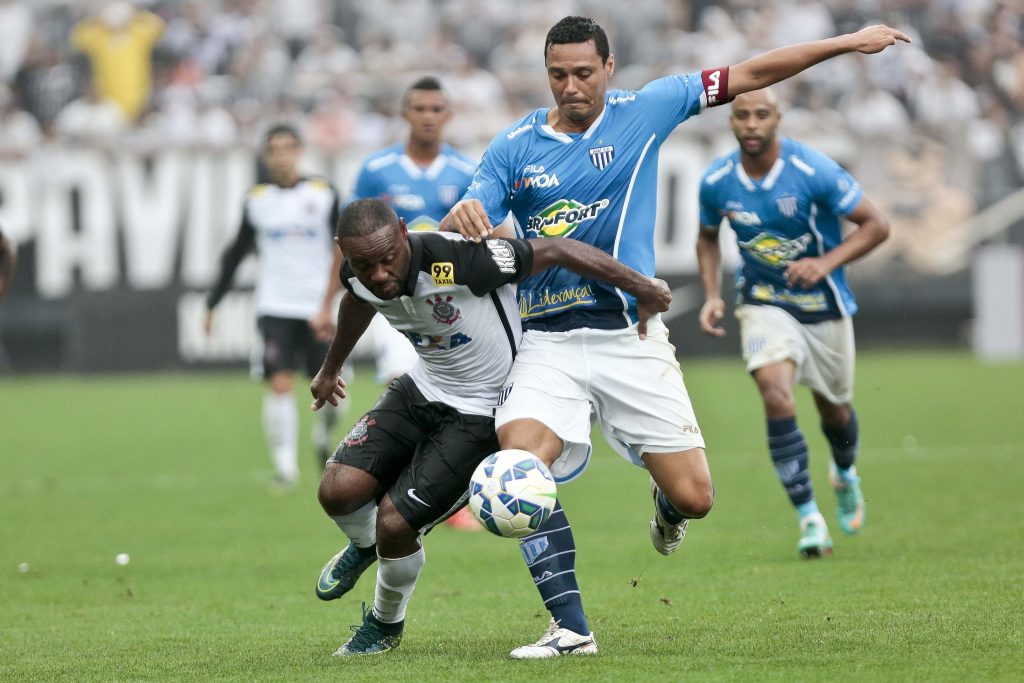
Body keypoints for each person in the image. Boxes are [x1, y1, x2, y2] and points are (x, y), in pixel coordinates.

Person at [443, 15, 908, 657]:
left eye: (583, 73)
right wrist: (463, 219)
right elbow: (461, 231)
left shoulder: (650, 107)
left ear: (608, 68)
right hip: (546, 342)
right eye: (558, 75)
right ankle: (571, 629)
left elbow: (753, 72)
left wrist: (846, 44)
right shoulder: (514, 147)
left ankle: (666, 503)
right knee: (519, 471)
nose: (571, 86)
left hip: (630, 338)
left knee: (696, 498)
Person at [309, 198, 671, 656]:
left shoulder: (461, 260)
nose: (379, 274)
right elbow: (357, 301)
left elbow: (556, 249)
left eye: (387, 259)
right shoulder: (357, 274)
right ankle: (366, 546)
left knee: (396, 524)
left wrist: (642, 286)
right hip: (422, 386)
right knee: (335, 491)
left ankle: (384, 625)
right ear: (343, 252)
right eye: (364, 264)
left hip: (483, 410)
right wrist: (330, 367)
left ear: (403, 232)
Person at [696, 88, 890, 557]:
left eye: (762, 115)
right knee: (776, 393)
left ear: (778, 118)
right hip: (763, 302)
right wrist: (712, 295)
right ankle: (809, 518)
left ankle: (844, 471)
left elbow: (876, 225)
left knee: (835, 411)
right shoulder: (717, 180)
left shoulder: (812, 170)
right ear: (732, 123)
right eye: (742, 116)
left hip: (823, 305)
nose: (752, 125)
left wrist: (825, 265)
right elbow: (706, 238)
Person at [315, 75, 484, 531]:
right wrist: (327, 301)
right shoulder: (377, 169)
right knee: (401, 382)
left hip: (451, 306)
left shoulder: (467, 170)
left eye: (436, 109)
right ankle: (408, 487)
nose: (427, 117)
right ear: (404, 114)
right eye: (419, 109)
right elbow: (351, 244)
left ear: (447, 115)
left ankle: (438, 491)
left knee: (455, 394)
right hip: (398, 308)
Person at [205, 123, 343, 488]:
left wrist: (336, 299)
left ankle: (324, 435)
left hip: (318, 307)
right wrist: (213, 302)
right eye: (274, 150)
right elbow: (235, 253)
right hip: (275, 305)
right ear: (267, 156)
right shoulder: (257, 200)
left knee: (331, 393)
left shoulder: (324, 193)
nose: (280, 156)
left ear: (299, 151)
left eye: (287, 148)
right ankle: (286, 469)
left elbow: (343, 249)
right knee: (278, 383)